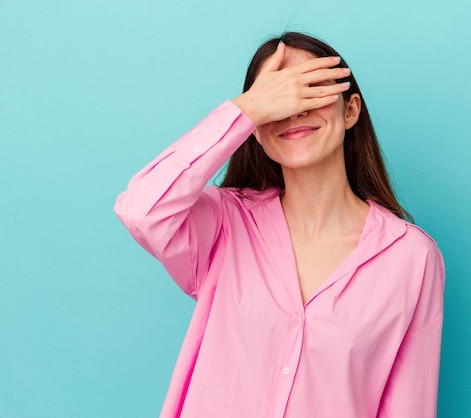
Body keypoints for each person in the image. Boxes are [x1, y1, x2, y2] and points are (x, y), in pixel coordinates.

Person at [114, 31, 445, 418]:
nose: (295, 111)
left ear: (351, 110)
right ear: (254, 127)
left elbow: (409, 408)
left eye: (311, 90)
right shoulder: (225, 224)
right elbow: (141, 209)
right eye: (279, 97)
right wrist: (247, 108)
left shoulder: (411, 258)